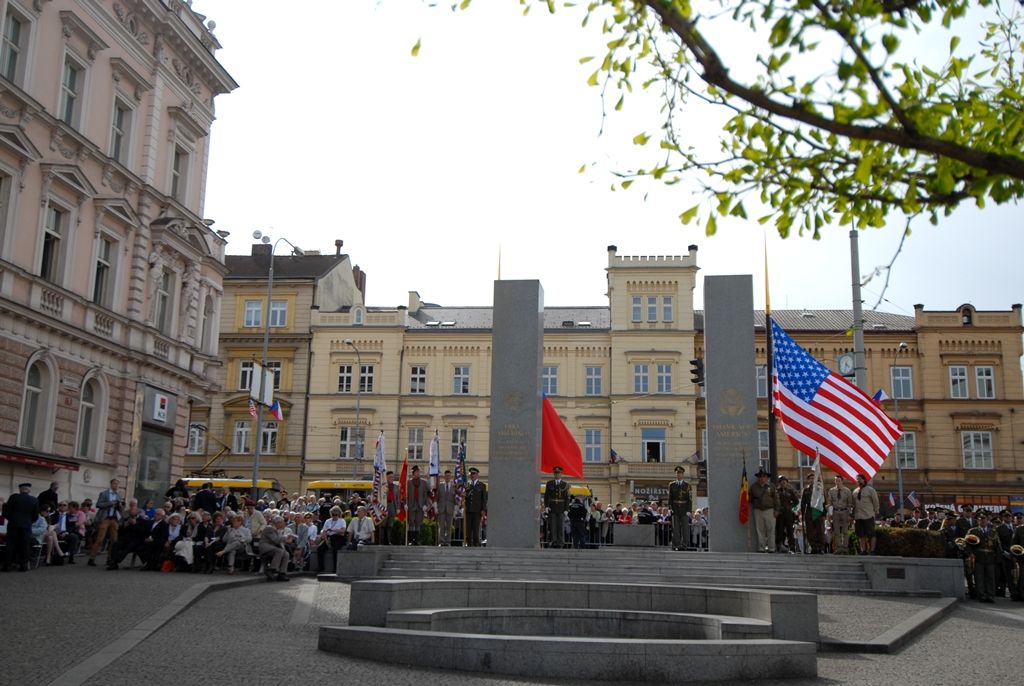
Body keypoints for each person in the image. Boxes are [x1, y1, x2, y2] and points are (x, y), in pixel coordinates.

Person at [967, 511, 1003, 603]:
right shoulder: (973, 531)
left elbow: (997, 545)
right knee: (979, 577)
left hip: (990, 557)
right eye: (980, 520)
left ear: (987, 520)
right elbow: (967, 544)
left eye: (984, 519)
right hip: (978, 557)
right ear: (978, 521)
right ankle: (982, 595)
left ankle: (990, 595)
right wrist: (970, 554)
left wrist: (998, 558)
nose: (982, 521)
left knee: (990, 577)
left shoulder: (993, 531)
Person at [2, 483, 38, 572]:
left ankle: (7, 565)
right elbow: (35, 516)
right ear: (29, 490)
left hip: (13, 524)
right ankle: (23, 566)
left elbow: (6, 512)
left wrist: (12, 519)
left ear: (20, 489)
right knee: (25, 545)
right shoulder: (34, 500)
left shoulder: (14, 497)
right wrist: (28, 521)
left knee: (10, 544)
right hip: (26, 525)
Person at [89, 478, 122, 567]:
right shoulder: (104, 493)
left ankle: (110, 558)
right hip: (105, 518)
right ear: (111, 484)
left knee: (114, 540)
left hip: (114, 518)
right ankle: (92, 558)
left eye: (117, 484)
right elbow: (98, 504)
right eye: (114, 484)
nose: (116, 485)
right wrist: (110, 503)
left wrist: (119, 506)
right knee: (100, 539)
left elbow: (120, 508)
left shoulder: (119, 495)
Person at [748, 469, 778, 553]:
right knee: (760, 530)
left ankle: (771, 548)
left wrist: (777, 510)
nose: (762, 478)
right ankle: (761, 548)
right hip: (758, 510)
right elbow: (750, 498)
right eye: (760, 476)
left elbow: (776, 499)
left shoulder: (771, 486)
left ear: (767, 478)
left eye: (764, 476)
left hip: (770, 510)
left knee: (771, 530)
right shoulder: (754, 487)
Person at [852, 473, 880, 555]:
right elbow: (853, 504)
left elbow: (876, 502)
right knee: (861, 535)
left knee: (871, 534)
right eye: (857, 479)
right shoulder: (855, 491)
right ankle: (863, 550)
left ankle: (872, 551)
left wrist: (876, 511)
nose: (858, 480)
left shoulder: (870, 490)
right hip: (858, 516)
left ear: (864, 480)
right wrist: (853, 515)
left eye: (860, 479)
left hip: (868, 515)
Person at [826, 475, 854, 554]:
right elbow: (830, 503)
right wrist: (829, 514)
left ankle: (845, 548)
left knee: (845, 531)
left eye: (839, 480)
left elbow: (850, 504)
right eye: (836, 481)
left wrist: (849, 515)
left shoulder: (847, 491)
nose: (837, 482)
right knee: (836, 531)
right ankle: (838, 548)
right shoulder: (831, 491)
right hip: (835, 512)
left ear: (842, 481)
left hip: (844, 511)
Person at [544, 466, 570, 548]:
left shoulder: (565, 485)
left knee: (560, 526)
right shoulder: (549, 483)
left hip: (561, 508)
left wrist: (566, 509)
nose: (557, 474)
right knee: (553, 526)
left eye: (558, 473)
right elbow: (546, 496)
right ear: (553, 474)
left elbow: (567, 498)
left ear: (561, 474)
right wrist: (546, 506)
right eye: (555, 473)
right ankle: (554, 541)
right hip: (552, 507)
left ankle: (561, 542)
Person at [259, 515, 291, 582]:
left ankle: (282, 573)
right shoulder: (269, 528)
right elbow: (276, 540)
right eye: (282, 523)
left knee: (286, 554)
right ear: (278, 523)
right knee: (280, 551)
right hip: (265, 547)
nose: (283, 525)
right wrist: (286, 537)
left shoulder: (276, 530)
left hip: (272, 548)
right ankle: (272, 569)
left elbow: (278, 541)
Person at [668, 466, 692, 551]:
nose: (679, 475)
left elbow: (689, 499)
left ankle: (685, 545)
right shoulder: (672, 485)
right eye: (677, 473)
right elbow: (670, 497)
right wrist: (670, 507)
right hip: (675, 508)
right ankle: (676, 545)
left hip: (684, 508)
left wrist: (689, 510)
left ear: (683, 474)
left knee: (685, 528)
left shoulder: (687, 485)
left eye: (680, 473)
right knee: (676, 528)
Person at [800, 474, 825, 554]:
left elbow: (824, 502)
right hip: (809, 511)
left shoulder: (820, 488)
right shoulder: (806, 489)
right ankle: (813, 547)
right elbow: (803, 502)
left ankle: (820, 547)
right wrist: (802, 513)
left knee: (819, 530)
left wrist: (824, 513)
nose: (812, 480)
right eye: (810, 478)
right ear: (808, 480)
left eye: (813, 478)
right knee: (810, 530)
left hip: (817, 510)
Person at [317, 506, 347, 571]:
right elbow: (324, 531)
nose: (334, 516)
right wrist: (326, 540)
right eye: (333, 514)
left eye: (336, 514)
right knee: (320, 548)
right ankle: (321, 567)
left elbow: (342, 531)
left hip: (338, 537)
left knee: (335, 549)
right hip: (328, 537)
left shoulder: (342, 521)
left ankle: (335, 568)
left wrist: (332, 529)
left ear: (339, 514)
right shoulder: (328, 521)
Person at [405, 465, 429, 545]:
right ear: (413, 473)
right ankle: (411, 540)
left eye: (419, 472)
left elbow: (425, 494)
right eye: (417, 472)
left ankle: (417, 540)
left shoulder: (424, 482)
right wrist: (405, 504)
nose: (418, 473)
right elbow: (406, 494)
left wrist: (426, 504)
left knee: (418, 522)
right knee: (411, 522)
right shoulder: (408, 482)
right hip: (411, 505)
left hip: (420, 505)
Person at [775, 475, 799, 553]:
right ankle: (779, 545)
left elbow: (796, 501)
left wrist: (791, 507)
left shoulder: (790, 491)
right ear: (779, 483)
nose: (783, 483)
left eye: (785, 481)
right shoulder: (776, 491)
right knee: (780, 530)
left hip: (788, 513)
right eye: (782, 481)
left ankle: (792, 547)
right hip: (780, 514)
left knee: (790, 531)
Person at [464, 467, 487, 547]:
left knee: (476, 528)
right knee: (468, 528)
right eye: (471, 474)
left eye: (474, 474)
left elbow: (484, 499)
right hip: (468, 509)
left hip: (477, 510)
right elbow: (465, 497)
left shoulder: (482, 485)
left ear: (477, 475)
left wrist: (483, 509)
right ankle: (468, 543)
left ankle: (476, 543)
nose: (472, 475)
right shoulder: (467, 485)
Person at [435, 470, 457, 546]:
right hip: (441, 509)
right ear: (444, 477)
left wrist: (456, 509)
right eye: (446, 476)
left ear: (451, 477)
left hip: (450, 509)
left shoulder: (454, 486)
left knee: (449, 527)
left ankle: (447, 542)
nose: (447, 477)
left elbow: (455, 499)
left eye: (449, 476)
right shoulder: (440, 486)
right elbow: (436, 498)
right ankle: (441, 541)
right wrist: (436, 508)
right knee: (441, 526)